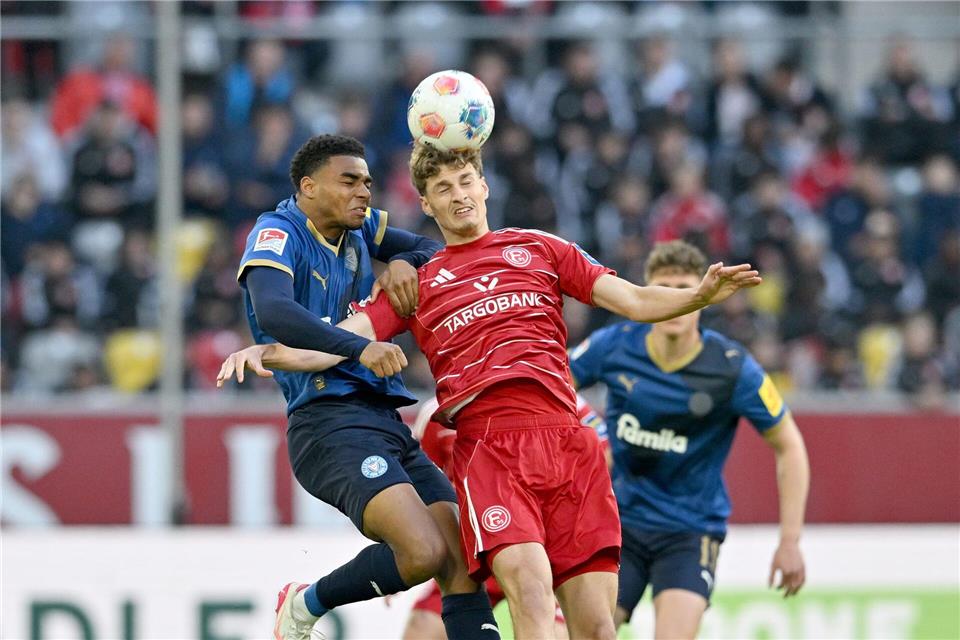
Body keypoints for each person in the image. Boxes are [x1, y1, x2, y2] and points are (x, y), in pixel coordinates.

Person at [219, 143, 761, 640]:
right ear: (427, 206)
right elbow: (337, 343)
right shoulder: (419, 284)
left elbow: (636, 301)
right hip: (492, 453)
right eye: (443, 189)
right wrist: (263, 353)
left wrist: (700, 298)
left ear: (484, 187)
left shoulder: (542, 249)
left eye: (465, 181)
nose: (458, 195)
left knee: (597, 627)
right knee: (529, 592)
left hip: (571, 448)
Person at [233, 134, 498, 640]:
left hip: (384, 421)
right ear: (308, 187)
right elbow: (275, 312)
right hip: (327, 425)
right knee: (421, 552)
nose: (364, 193)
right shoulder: (278, 231)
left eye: (368, 183)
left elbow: (430, 249)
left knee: (463, 559)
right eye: (349, 181)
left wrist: (403, 262)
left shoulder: (361, 230)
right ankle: (306, 602)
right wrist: (359, 348)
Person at [568, 240, 810, 640]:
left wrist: (790, 541)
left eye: (685, 287)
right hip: (617, 522)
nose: (675, 299)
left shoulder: (732, 369)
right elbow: (550, 385)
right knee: (588, 633)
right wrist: (593, 428)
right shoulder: (615, 345)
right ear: (648, 294)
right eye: (664, 288)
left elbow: (790, 446)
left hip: (689, 530)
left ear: (704, 296)